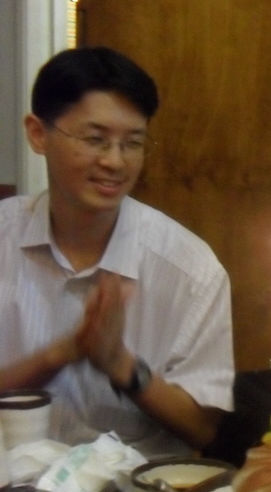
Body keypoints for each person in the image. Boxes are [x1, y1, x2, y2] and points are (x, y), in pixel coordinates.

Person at [0, 47, 234, 458]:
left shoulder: (191, 270)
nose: (114, 161)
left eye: (132, 143)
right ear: (38, 134)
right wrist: (58, 355)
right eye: (95, 140)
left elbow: (202, 430)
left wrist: (121, 365)